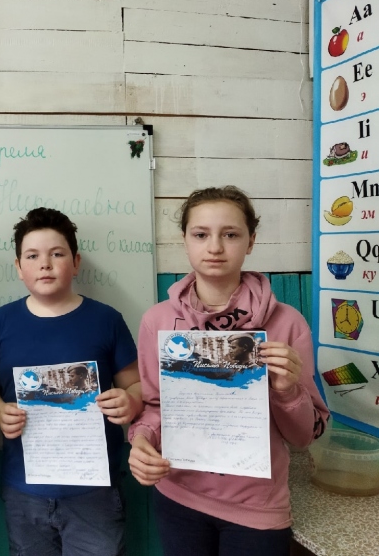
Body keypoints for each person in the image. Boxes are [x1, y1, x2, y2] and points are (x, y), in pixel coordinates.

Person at [127, 185, 330, 556]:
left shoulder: (287, 323)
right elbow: (156, 407)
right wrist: (141, 440)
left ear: (251, 241)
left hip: (257, 507)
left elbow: (304, 437)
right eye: (200, 234)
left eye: (231, 234)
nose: (215, 247)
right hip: (178, 494)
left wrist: (286, 389)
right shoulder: (158, 321)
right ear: (184, 241)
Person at [0, 207, 142, 556]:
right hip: (24, 489)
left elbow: (137, 386)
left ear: (76, 262)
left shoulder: (106, 320)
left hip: (94, 490)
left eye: (57, 254)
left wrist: (130, 401)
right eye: (32, 256)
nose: (45, 264)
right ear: (18, 267)